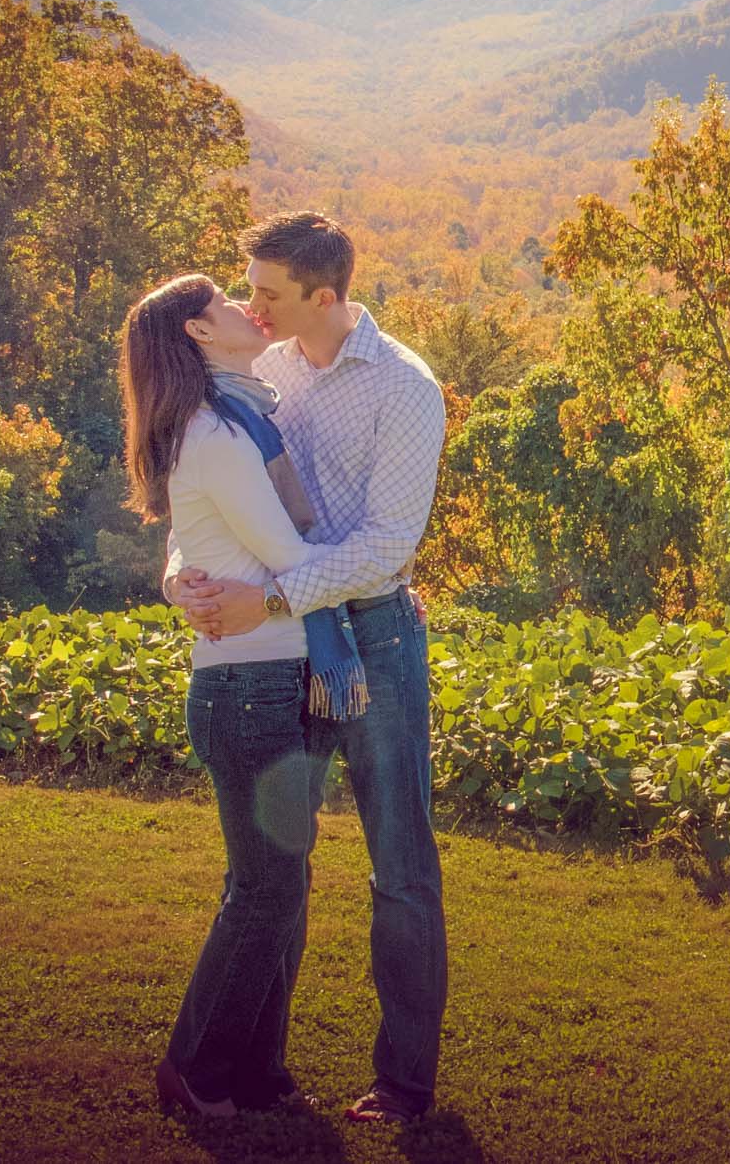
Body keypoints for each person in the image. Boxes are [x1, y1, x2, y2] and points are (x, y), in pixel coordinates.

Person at [167, 211, 449, 1128]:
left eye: (270, 293)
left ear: (324, 296)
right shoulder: (264, 372)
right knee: (279, 864)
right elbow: (199, 495)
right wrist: (182, 578)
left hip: (374, 639)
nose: (252, 304)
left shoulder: (405, 388)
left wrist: (277, 598)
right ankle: (261, 1067)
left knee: (399, 867)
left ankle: (405, 1084)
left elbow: (384, 544)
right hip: (290, 648)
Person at [118, 272, 336, 1118]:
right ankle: (196, 1067)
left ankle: (256, 1070)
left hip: (273, 679)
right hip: (250, 687)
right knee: (267, 887)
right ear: (199, 334)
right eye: (223, 300)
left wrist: (179, 580)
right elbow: (290, 553)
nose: (247, 307)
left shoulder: (242, 415)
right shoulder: (216, 433)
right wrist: (382, 568)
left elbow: (190, 545)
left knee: (280, 880)